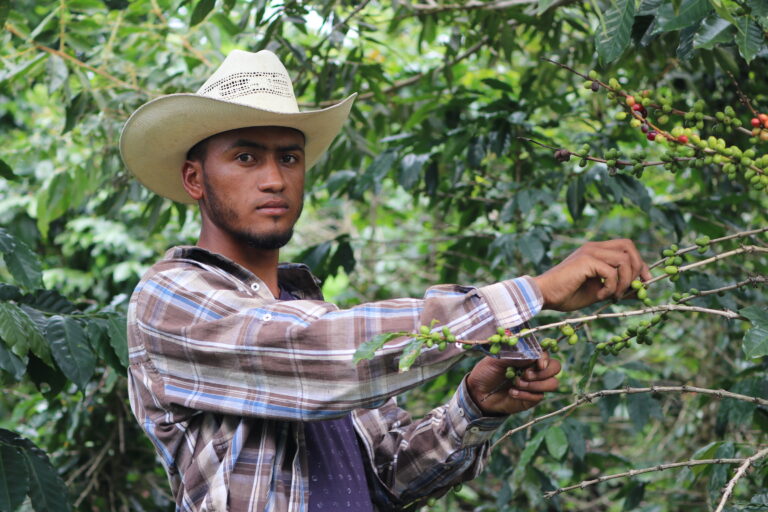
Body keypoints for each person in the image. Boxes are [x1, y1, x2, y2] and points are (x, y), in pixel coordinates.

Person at [120, 49, 650, 511]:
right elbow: (319, 353)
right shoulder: (171, 298)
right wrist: (531, 292)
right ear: (195, 178)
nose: (274, 179)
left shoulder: (312, 309)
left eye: (289, 157)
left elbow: (390, 476)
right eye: (245, 157)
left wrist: (475, 406)